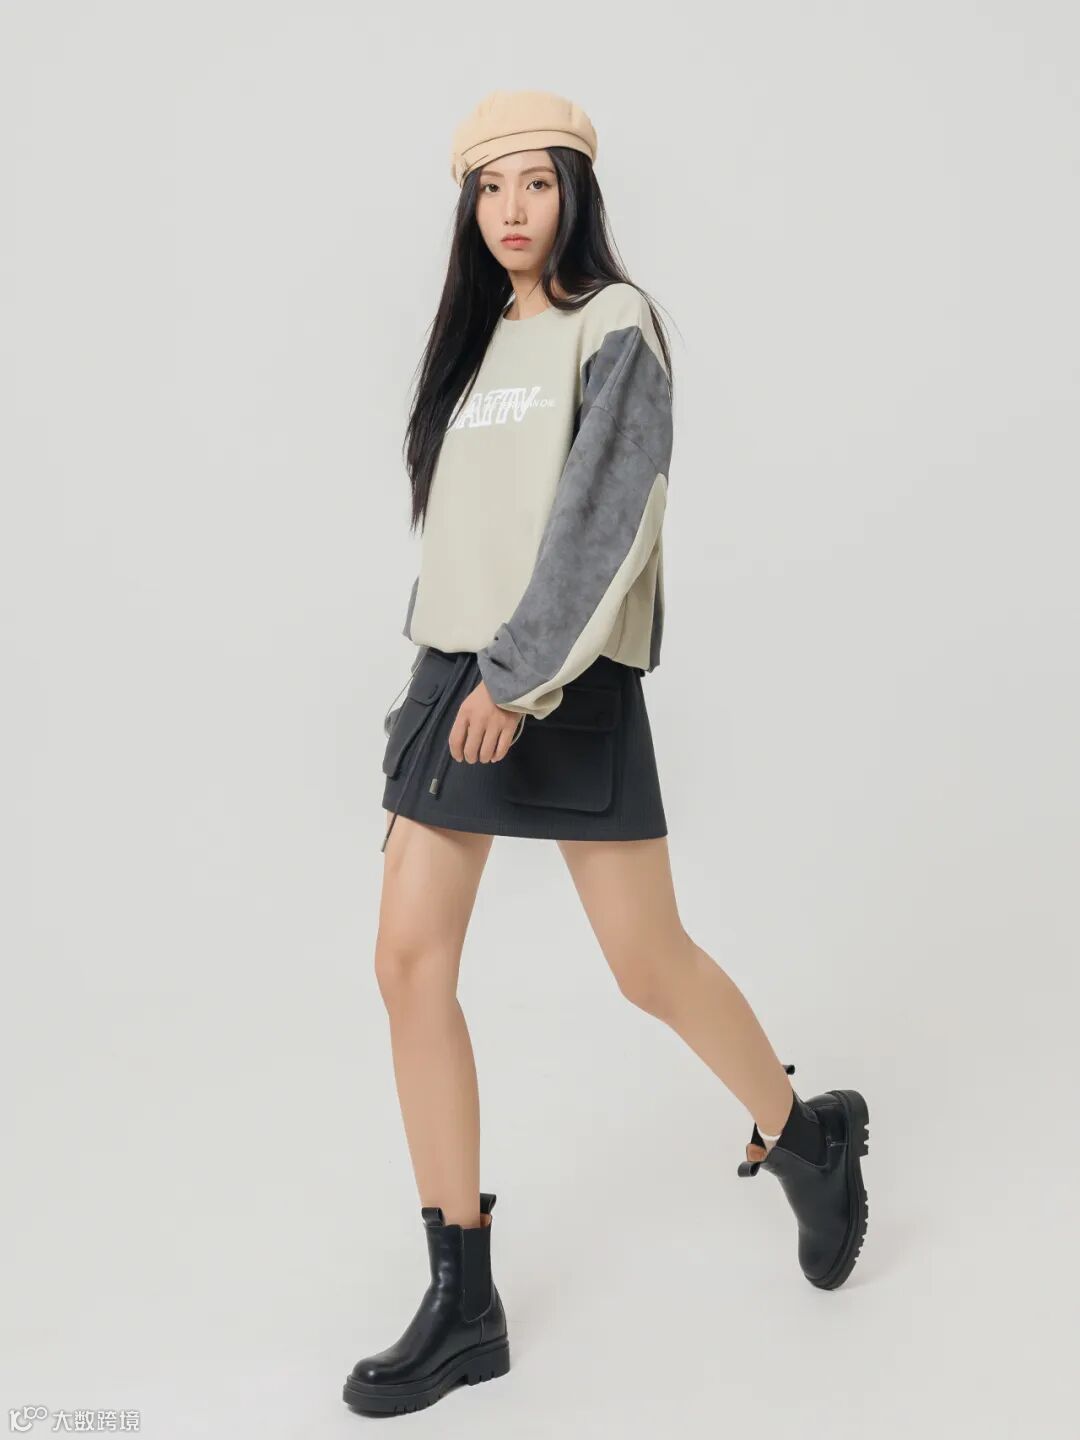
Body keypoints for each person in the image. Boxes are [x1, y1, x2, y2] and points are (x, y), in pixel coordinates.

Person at [343, 88, 870, 1418]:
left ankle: (806, 1136)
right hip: (455, 679)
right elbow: (467, 530)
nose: (511, 210)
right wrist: (438, 682)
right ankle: (463, 1297)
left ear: (576, 191)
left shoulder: (616, 323)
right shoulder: (478, 342)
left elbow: (608, 517)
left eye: (536, 182)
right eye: (489, 188)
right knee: (407, 963)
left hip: (555, 680)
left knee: (647, 965)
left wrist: (517, 679)